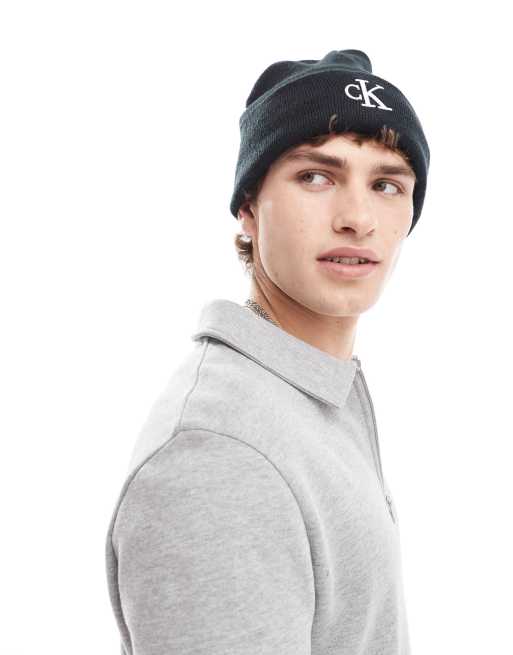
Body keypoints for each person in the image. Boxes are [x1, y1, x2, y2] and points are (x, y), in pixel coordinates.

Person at [105, 49, 430, 655]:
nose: (358, 218)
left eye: (386, 184)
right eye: (316, 177)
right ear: (249, 206)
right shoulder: (220, 455)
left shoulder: (309, 393)